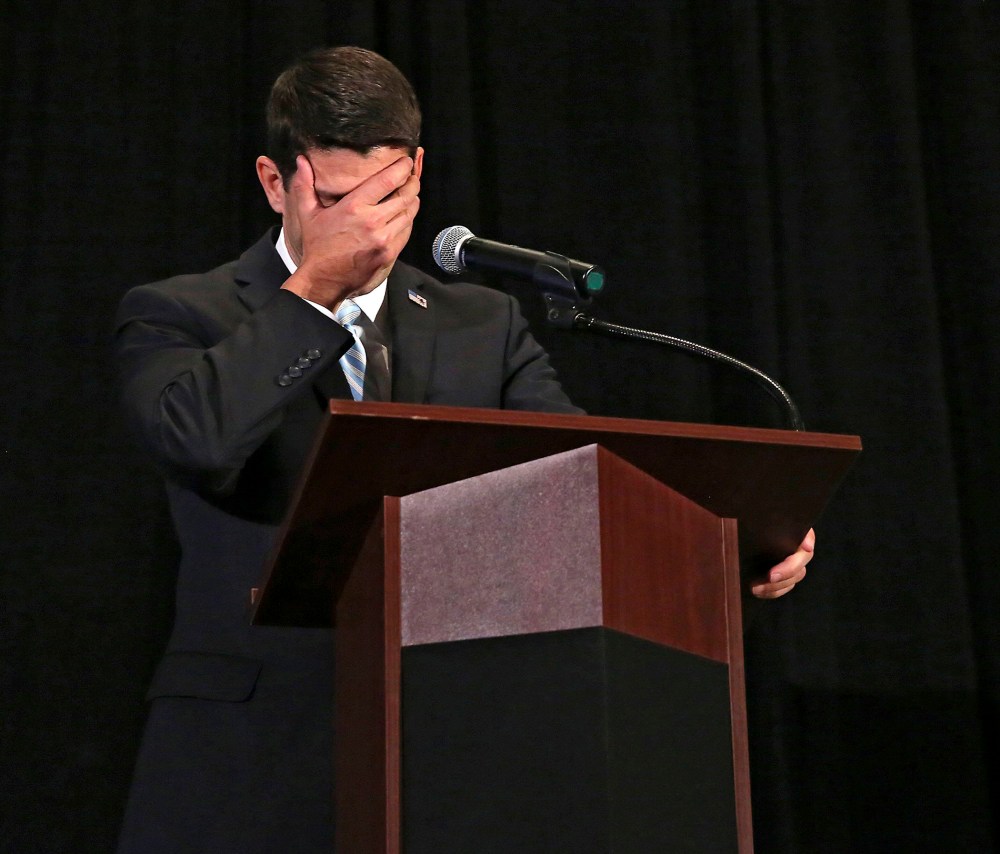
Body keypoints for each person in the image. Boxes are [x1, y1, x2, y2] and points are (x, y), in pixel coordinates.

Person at [115, 46, 813, 852]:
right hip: (251, 757)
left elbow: (584, 494)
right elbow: (195, 440)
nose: (364, 230)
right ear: (277, 182)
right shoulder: (178, 312)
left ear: (416, 172)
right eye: (337, 200)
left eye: (387, 198)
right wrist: (314, 291)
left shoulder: (482, 322)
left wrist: (734, 551)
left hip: (456, 759)